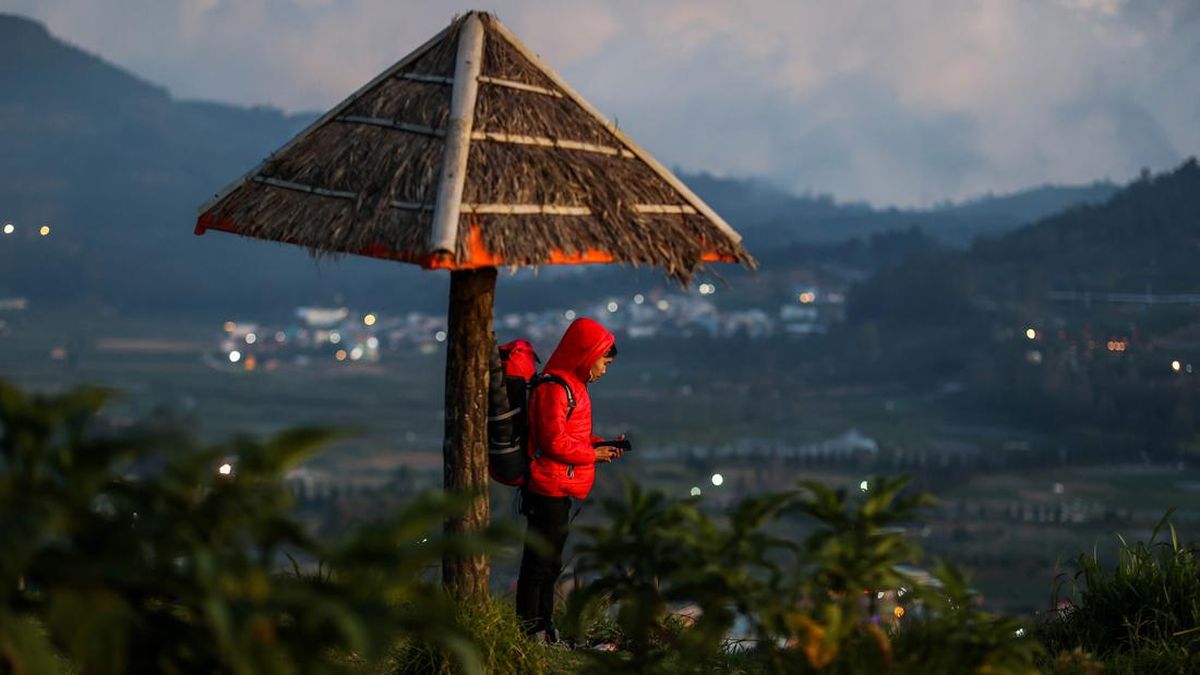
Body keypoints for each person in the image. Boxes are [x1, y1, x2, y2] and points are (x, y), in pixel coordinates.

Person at [516, 317, 624, 642]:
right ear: (587, 353)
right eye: (604, 362)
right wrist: (592, 455)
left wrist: (596, 444)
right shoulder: (555, 388)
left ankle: (544, 630)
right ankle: (530, 630)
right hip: (547, 487)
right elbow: (552, 442)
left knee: (550, 564)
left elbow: (569, 436)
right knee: (538, 563)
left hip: (561, 487)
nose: (604, 370)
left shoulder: (573, 386)